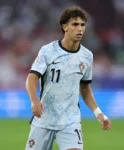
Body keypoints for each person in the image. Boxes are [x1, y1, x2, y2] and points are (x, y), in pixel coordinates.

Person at [25, 5, 111, 150]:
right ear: (65, 27)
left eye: (83, 25)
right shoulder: (48, 51)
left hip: (70, 121)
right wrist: (34, 101)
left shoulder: (87, 56)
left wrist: (99, 113)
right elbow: (31, 78)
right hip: (43, 119)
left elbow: (85, 88)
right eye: (75, 24)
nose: (80, 28)